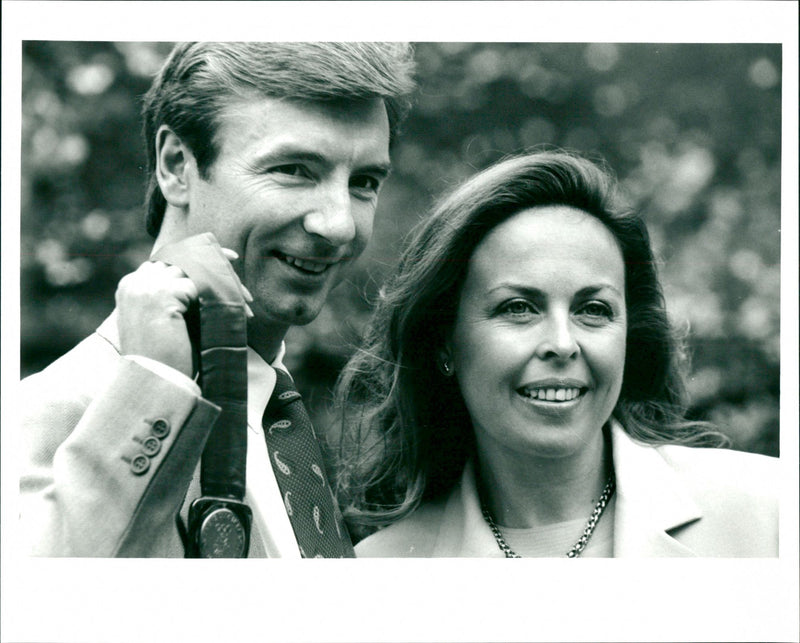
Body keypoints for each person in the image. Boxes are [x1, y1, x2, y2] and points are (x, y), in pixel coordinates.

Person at [19, 42, 416, 557]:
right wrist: (152, 393)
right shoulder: (42, 416)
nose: (338, 224)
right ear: (177, 166)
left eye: (364, 182)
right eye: (294, 169)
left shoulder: (285, 421)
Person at [335, 151, 779, 557]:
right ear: (444, 339)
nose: (563, 344)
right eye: (519, 308)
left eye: (593, 310)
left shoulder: (772, 511)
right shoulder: (381, 567)